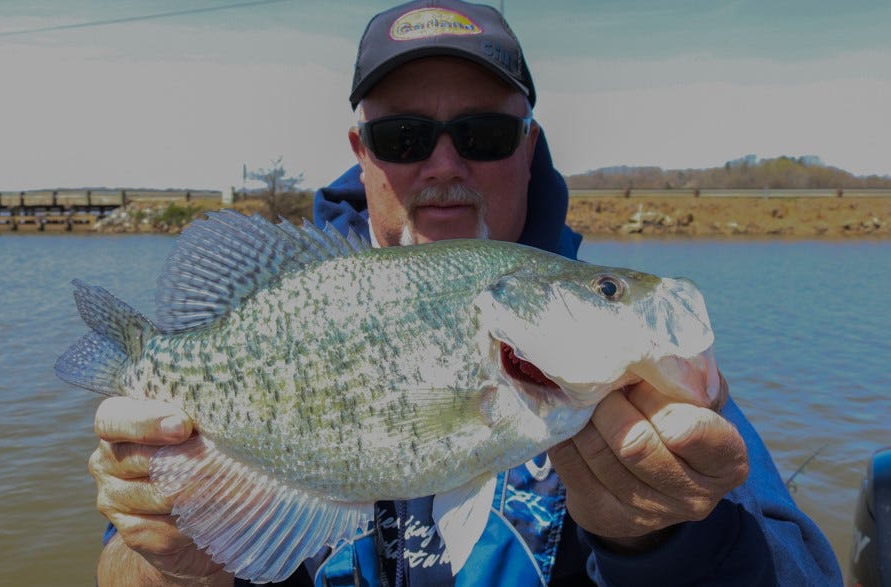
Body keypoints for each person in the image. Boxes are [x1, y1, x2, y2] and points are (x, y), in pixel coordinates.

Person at [88, 1, 841, 585]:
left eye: (481, 134)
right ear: (361, 153)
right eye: (404, 138)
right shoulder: (296, 300)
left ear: (528, 147)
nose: (443, 164)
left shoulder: (635, 385)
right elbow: (122, 572)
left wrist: (673, 540)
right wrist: (169, 560)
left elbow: (800, 566)